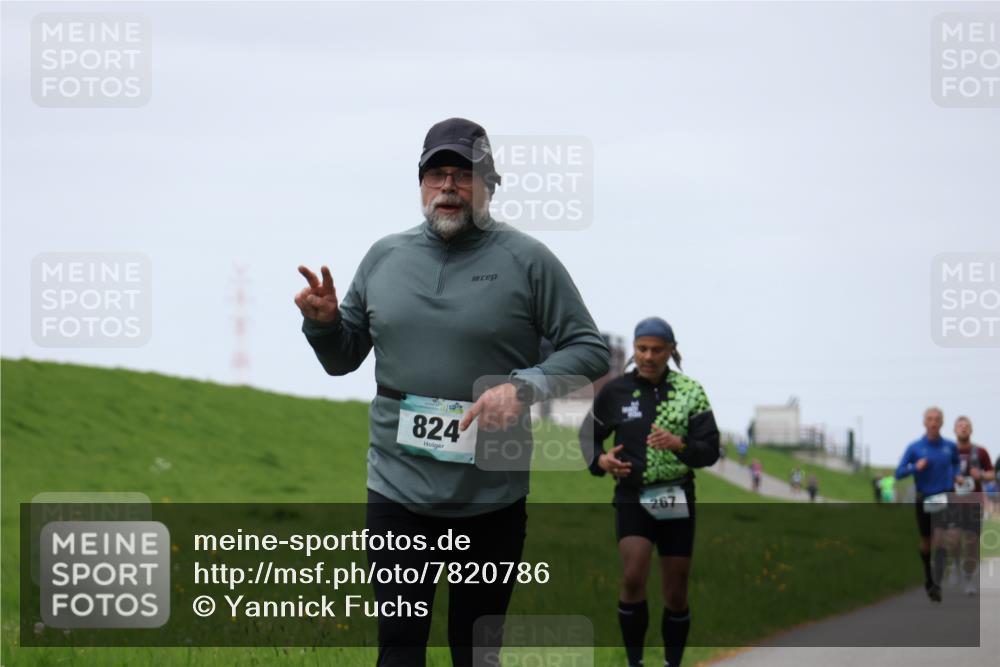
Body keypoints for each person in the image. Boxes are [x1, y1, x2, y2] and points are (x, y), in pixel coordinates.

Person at [295, 117, 610, 667]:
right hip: (397, 489)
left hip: (492, 496)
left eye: (463, 175)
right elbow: (343, 359)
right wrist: (323, 326)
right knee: (399, 649)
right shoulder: (384, 258)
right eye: (436, 173)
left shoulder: (528, 261)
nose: (448, 186)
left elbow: (588, 349)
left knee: (475, 652)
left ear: (488, 184)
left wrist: (525, 388)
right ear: (420, 184)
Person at [580, 317, 720, 667]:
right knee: (632, 576)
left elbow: (711, 449)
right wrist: (601, 461)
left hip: (675, 495)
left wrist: (680, 443)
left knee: (675, 590)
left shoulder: (691, 392)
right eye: (642, 348)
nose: (648, 356)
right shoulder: (615, 392)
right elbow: (587, 438)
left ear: (671, 352)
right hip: (632, 496)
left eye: (657, 350)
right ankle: (635, 662)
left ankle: (673, 662)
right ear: (633, 350)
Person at [894, 407, 961, 603]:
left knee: (940, 539)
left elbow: (956, 463)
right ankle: (928, 576)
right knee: (926, 542)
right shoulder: (915, 447)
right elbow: (898, 473)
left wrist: (956, 475)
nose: (933, 422)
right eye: (930, 419)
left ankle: (937, 583)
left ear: (942, 422)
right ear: (924, 422)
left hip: (944, 496)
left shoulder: (949, 446)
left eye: (937, 419)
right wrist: (915, 467)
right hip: (923, 497)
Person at [947, 416, 994, 595]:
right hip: (954, 502)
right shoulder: (948, 451)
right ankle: (955, 566)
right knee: (953, 538)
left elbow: (991, 474)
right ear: (955, 430)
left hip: (974, 503)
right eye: (960, 426)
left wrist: (981, 475)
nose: (963, 428)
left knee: (972, 544)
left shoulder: (980, 452)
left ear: (971, 430)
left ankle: (967, 579)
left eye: (966, 426)